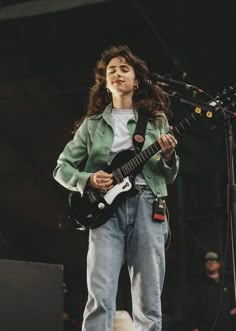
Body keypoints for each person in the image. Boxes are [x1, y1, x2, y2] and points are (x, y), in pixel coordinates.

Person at [53, 45, 179, 331]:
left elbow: (167, 175)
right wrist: (88, 179)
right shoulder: (92, 125)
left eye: (124, 68)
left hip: (148, 204)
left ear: (136, 81)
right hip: (104, 212)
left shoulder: (157, 121)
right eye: (112, 70)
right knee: (100, 292)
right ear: (106, 84)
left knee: (149, 297)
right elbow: (61, 168)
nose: (117, 73)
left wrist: (170, 156)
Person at [186, 251, 236, 331]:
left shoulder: (227, 284)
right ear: (205, 265)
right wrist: (193, 327)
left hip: (227, 326)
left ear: (219, 264)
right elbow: (192, 307)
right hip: (206, 327)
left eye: (214, 261)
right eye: (208, 261)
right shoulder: (199, 285)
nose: (211, 263)